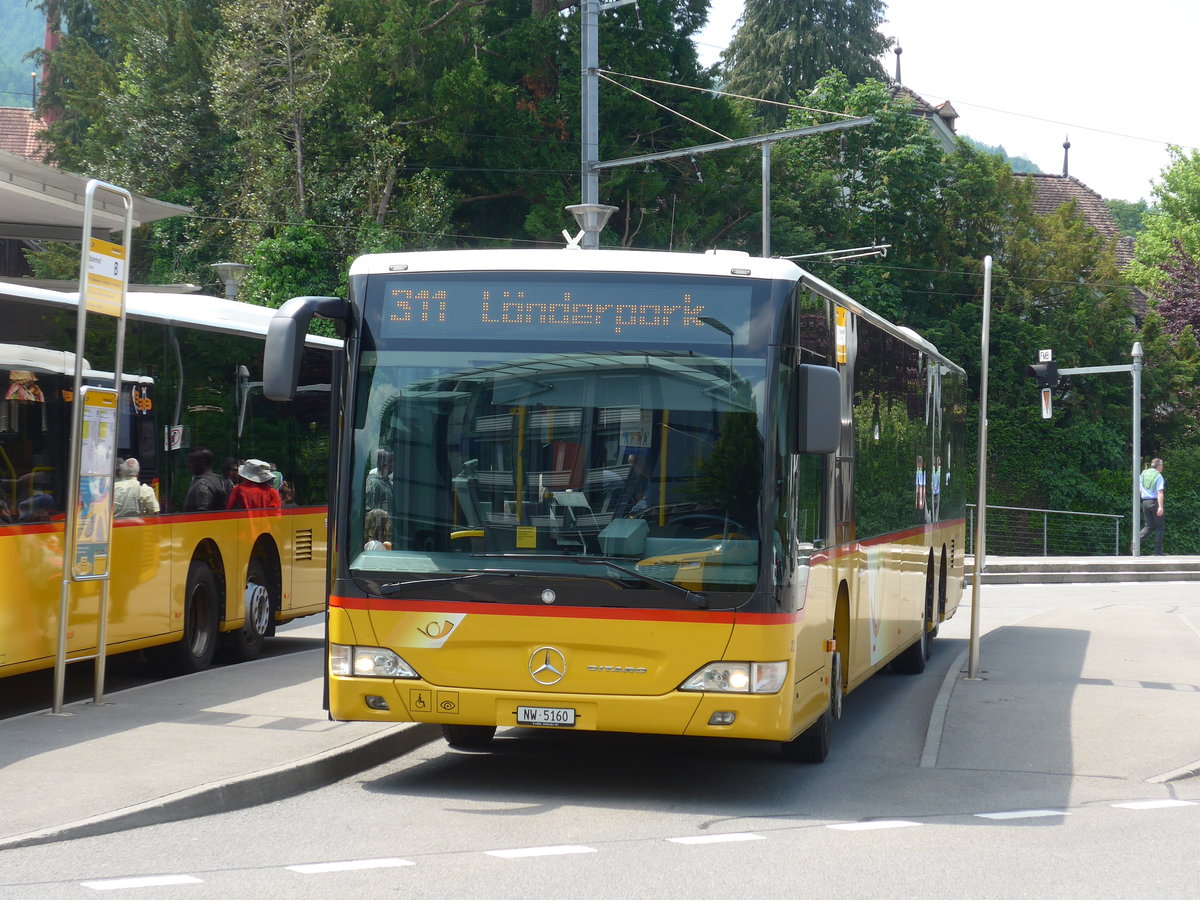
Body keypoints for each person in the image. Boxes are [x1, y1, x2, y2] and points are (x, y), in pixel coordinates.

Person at [1138, 457, 1165, 555]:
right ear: (1159, 466)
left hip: (1145, 502)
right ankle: (1157, 551)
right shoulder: (1158, 476)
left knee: (1149, 525)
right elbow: (1160, 492)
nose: (1162, 467)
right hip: (1154, 502)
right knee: (1160, 527)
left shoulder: (1143, 474)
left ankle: (1135, 543)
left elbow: (1139, 490)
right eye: (1162, 465)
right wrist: (1160, 507)